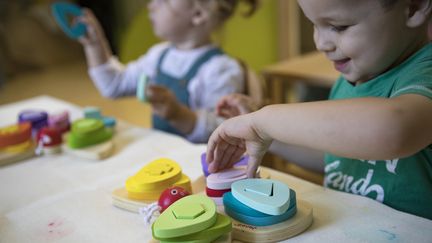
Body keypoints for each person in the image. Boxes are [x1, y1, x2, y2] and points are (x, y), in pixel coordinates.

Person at [207, 0, 432, 220]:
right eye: (314, 25)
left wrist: (265, 120)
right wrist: (267, 136)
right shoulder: (350, 82)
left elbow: (395, 129)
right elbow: (336, 160)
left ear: (414, 7)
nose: (321, 43)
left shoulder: (425, 75)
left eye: (339, 27)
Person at [77, 0, 259, 143]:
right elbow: (114, 86)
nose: (150, 5)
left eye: (162, 0)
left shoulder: (220, 69)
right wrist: (95, 45)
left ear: (197, 14)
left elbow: (224, 132)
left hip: (201, 169)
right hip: (164, 158)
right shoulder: (158, 55)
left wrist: (179, 115)